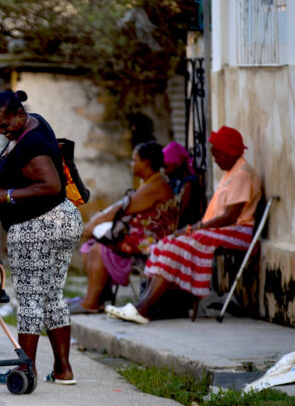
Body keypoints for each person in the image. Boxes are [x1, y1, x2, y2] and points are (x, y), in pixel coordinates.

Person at [106, 126, 262, 324]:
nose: (215, 160)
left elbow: (230, 217)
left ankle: (145, 308)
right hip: (221, 229)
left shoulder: (242, 173)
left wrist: (193, 228)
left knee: (177, 244)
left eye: (218, 155)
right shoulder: (231, 171)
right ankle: (143, 305)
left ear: (230, 152)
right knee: (166, 243)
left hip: (237, 231)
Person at [0, 90, 83, 386]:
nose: (2, 131)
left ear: (20, 114)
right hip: (62, 221)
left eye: (5, 125)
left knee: (29, 299)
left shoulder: (32, 144)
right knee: (52, 296)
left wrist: (7, 195)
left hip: (37, 226)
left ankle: (24, 370)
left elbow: (51, 185)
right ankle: (63, 370)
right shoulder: (36, 124)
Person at [74, 142, 178, 314]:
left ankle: (91, 302)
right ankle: (95, 299)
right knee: (92, 244)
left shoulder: (157, 186)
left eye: (134, 160)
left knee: (99, 247)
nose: (132, 164)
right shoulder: (151, 183)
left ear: (145, 162)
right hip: (142, 236)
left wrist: (94, 223)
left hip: (152, 241)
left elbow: (122, 208)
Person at [163, 141, 203, 229]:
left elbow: (182, 216)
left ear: (177, 164)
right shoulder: (175, 183)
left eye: (167, 167)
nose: (165, 172)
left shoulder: (188, 184)